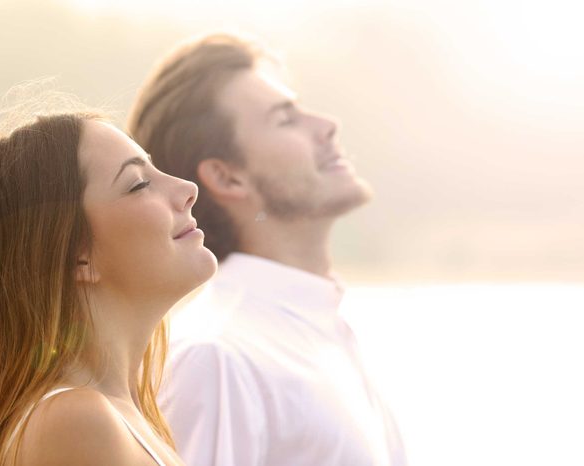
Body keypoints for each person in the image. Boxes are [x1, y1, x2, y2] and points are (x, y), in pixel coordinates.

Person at [128, 33, 408, 466]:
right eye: (285, 119)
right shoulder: (218, 357)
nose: (327, 125)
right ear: (227, 178)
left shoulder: (318, 330)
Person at [0, 109, 217, 465]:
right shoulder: (75, 421)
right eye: (139, 184)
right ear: (76, 256)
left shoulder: (127, 418)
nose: (187, 188)